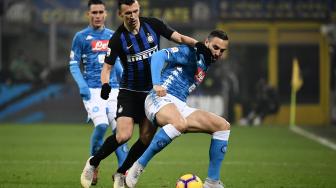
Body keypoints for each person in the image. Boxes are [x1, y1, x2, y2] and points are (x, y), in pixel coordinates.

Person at [80, 0, 198, 187]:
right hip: (129, 92)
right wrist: (105, 84)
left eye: (135, 11)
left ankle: (120, 173)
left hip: (151, 93)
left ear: (139, 10)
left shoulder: (153, 24)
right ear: (120, 14)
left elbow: (181, 38)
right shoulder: (118, 38)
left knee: (145, 138)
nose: (133, 16)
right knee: (123, 136)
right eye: (128, 13)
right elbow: (107, 67)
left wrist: (200, 46)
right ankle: (93, 163)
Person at [125, 30, 230, 188]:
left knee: (223, 126)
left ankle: (212, 182)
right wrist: (156, 83)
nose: (218, 53)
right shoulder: (190, 52)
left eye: (222, 50)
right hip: (159, 97)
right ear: (206, 42)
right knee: (179, 123)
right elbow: (158, 56)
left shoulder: (205, 61)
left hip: (179, 105)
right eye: (215, 47)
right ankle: (137, 166)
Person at [69, 0, 128, 186]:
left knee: (121, 132)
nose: (97, 15)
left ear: (105, 14)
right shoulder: (80, 37)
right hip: (93, 91)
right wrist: (82, 86)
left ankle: (122, 172)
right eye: (94, 12)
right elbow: (73, 64)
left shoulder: (113, 35)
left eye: (101, 12)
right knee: (101, 126)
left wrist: (125, 85)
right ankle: (93, 164)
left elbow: (117, 64)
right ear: (88, 14)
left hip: (114, 89)